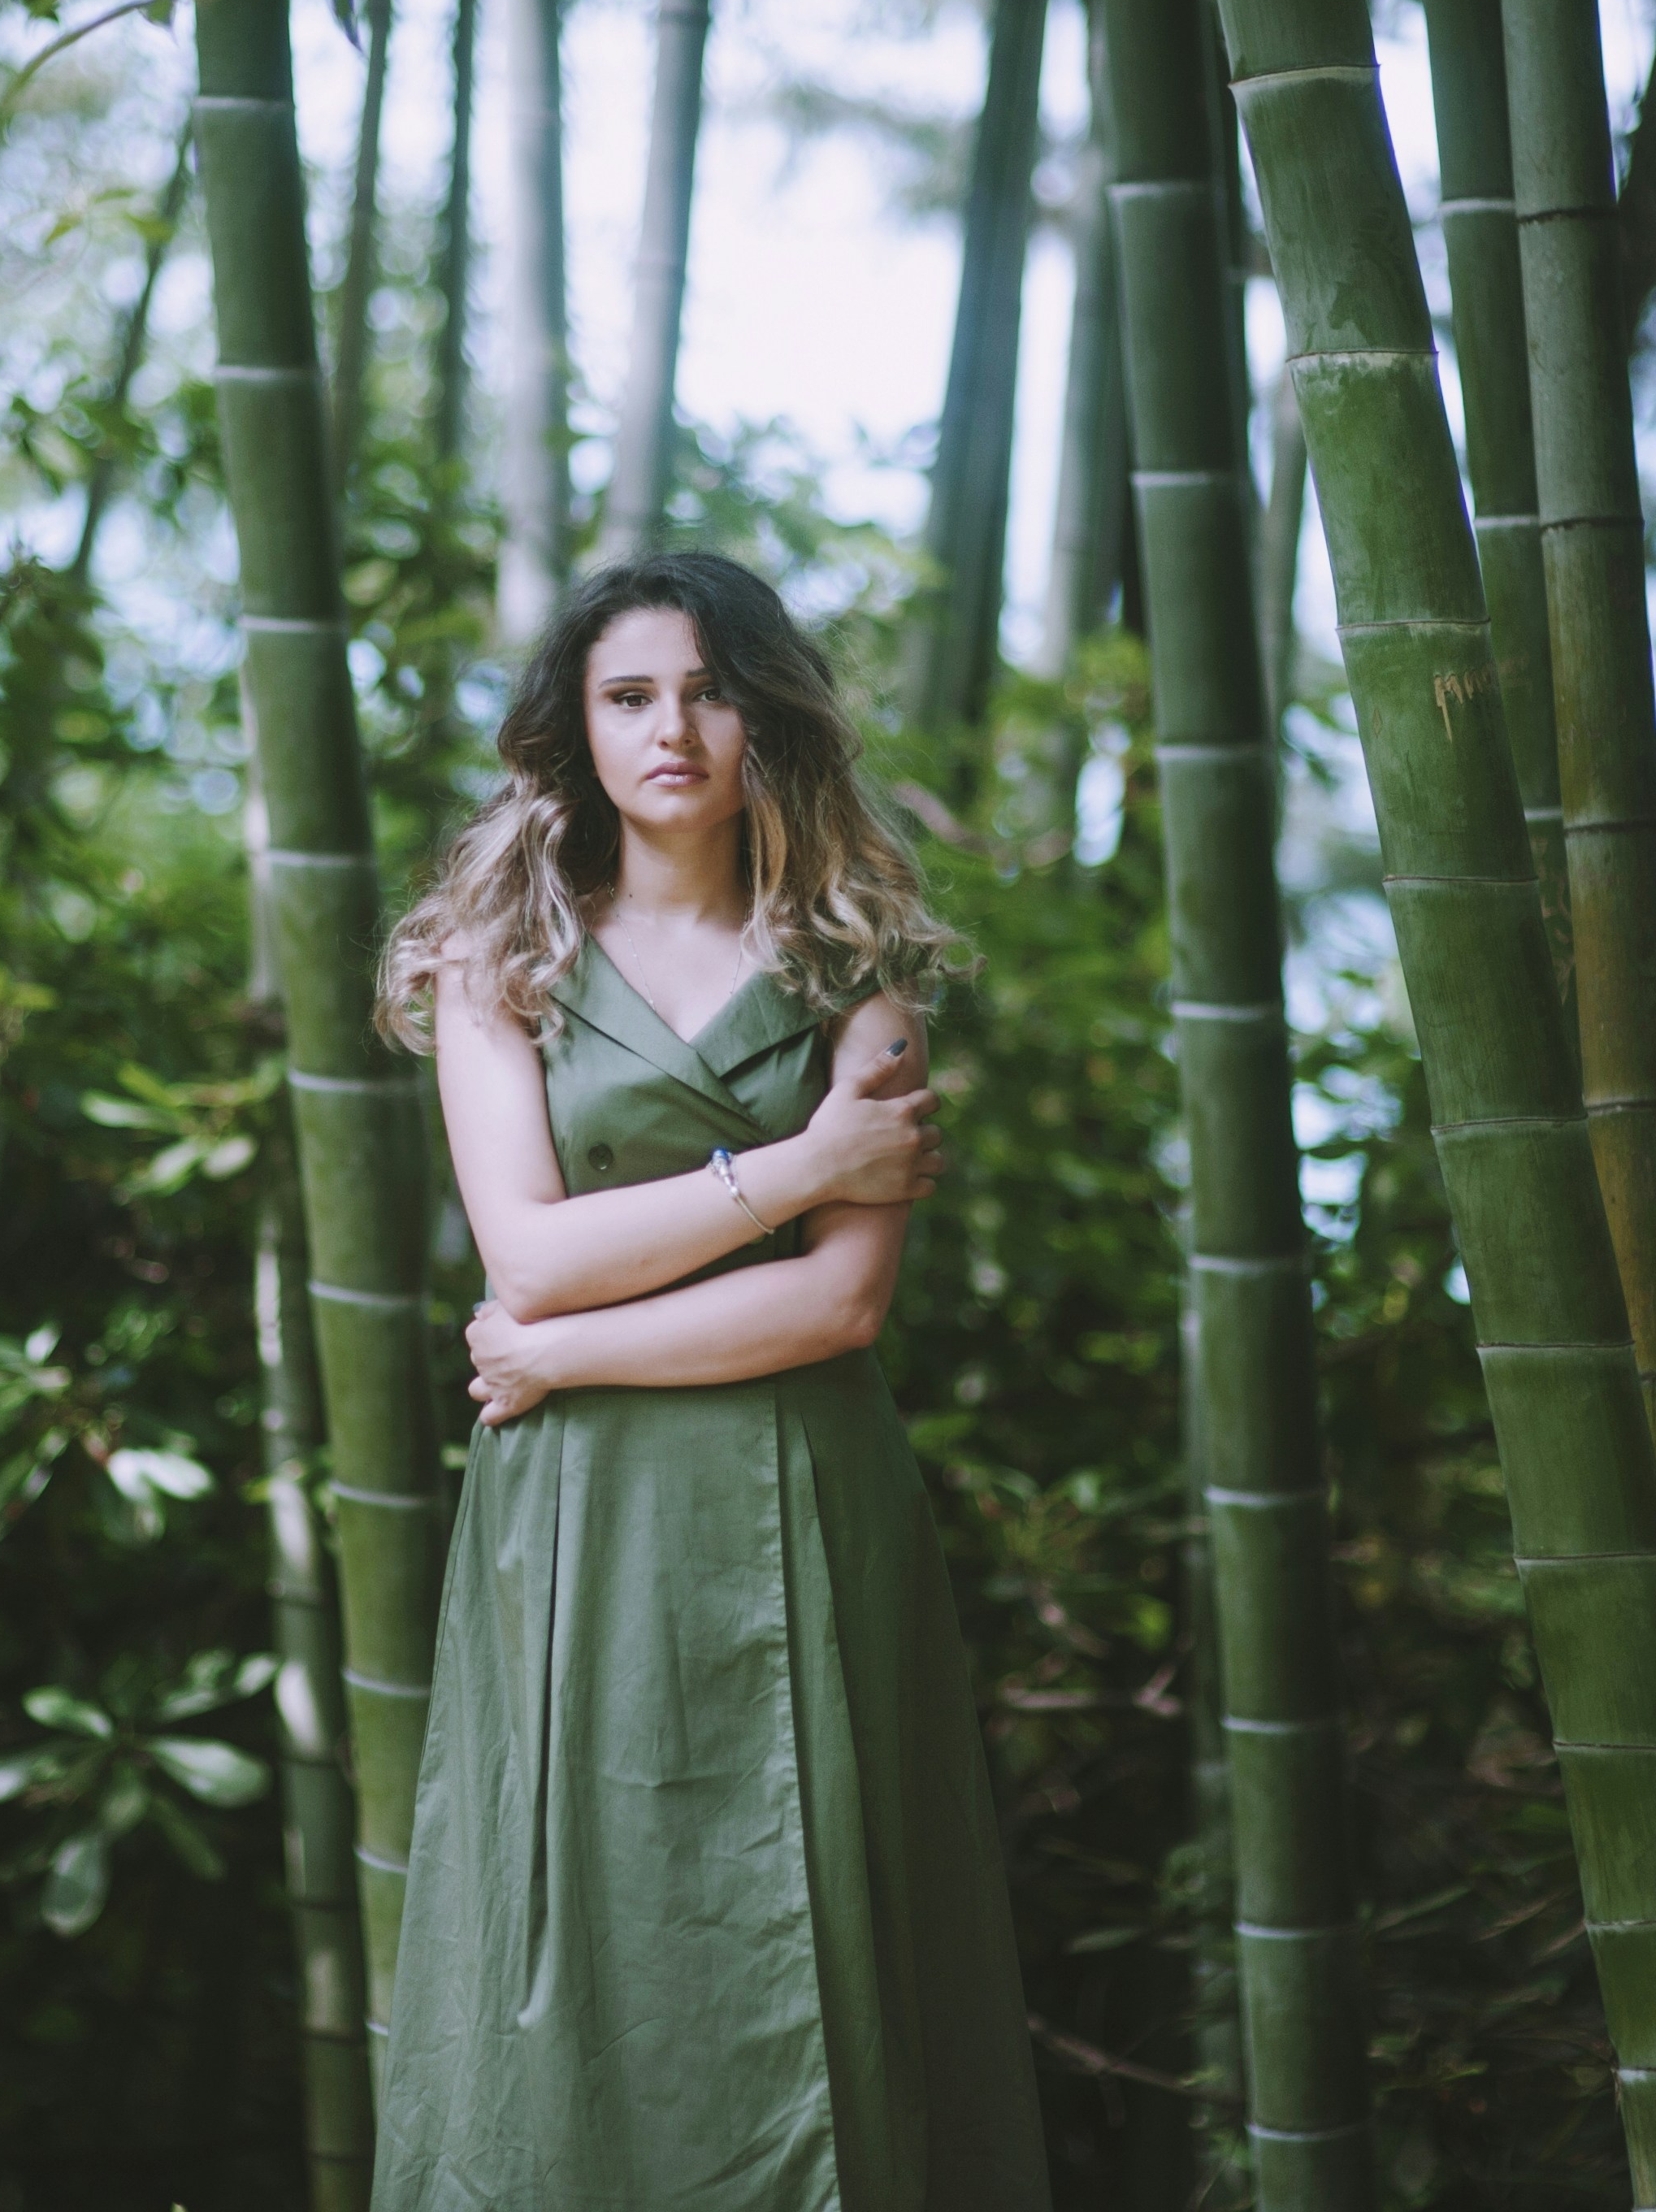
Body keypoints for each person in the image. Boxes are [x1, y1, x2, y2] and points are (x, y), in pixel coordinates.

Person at [368, 552, 1054, 2210]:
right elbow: (522, 1251)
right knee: (576, 1929)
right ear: (574, 732)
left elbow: (837, 1310)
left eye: (705, 689)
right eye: (627, 696)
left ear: (761, 714)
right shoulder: (498, 960)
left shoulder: (852, 961)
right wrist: (807, 1158)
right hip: (580, 1517)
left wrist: (558, 1348)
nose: (670, 727)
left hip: (798, 1493)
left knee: (820, 1915)